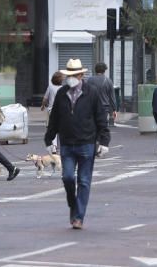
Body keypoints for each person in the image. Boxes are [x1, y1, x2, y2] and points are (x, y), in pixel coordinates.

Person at [44, 58, 110, 230]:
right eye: (68, 75)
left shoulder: (92, 92)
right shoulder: (61, 93)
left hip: (87, 142)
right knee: (67, 177)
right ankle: (73, 203)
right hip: (66, 143)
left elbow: (101, 118)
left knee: (84, 181)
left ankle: (78, 217)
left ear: (81, 75)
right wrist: (49, 139)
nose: (70, 78)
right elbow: (54, 119)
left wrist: (104, 141)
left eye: (74, 75)